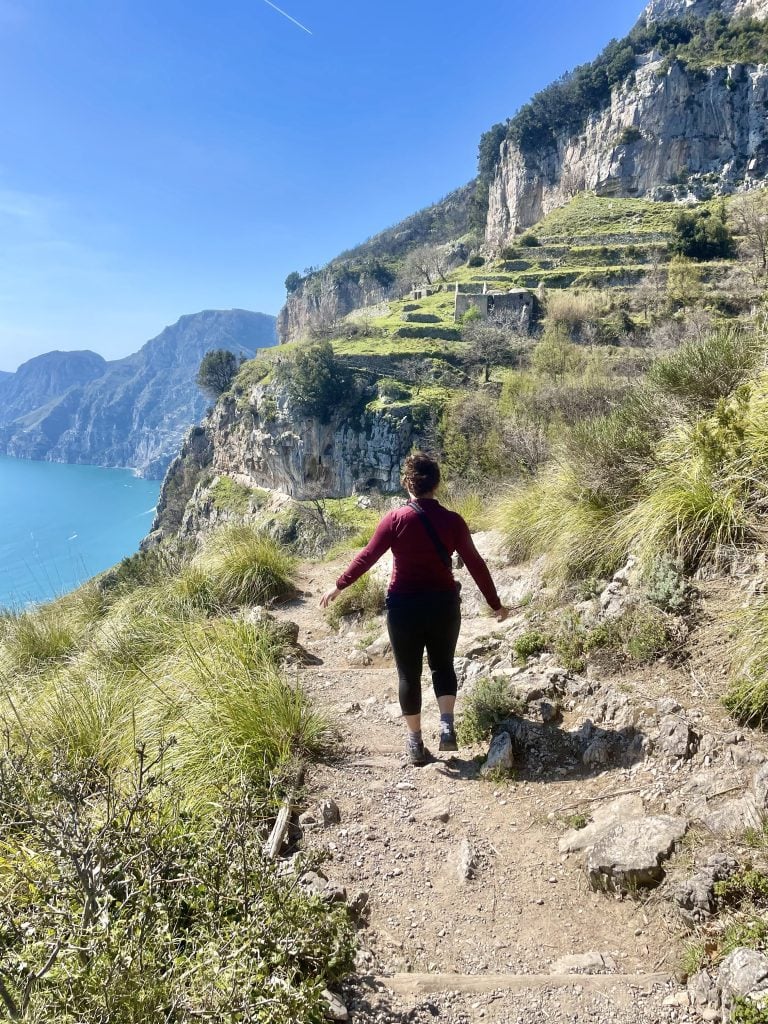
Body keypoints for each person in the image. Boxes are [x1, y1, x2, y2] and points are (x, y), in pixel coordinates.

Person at [320, 452, 509, 766]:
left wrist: (339, 586)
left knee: (408, 674)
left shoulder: (395, 519)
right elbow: (475, 563)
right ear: (436, 484)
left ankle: (415, 744)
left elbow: (368, 556)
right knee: (443, 666)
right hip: (444, 605)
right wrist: (495, 604)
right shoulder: (453, 521)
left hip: (404, 607)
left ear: (408, 484)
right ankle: (447, 724)